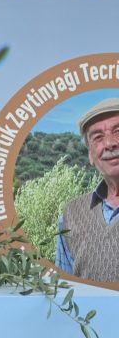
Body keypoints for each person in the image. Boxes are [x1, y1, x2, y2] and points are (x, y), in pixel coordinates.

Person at [56, 97, 119, 281]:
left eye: (118, 131)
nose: (109, 144)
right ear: (91, 155)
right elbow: (65, 287)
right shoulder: (72, 213)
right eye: (98, 137)